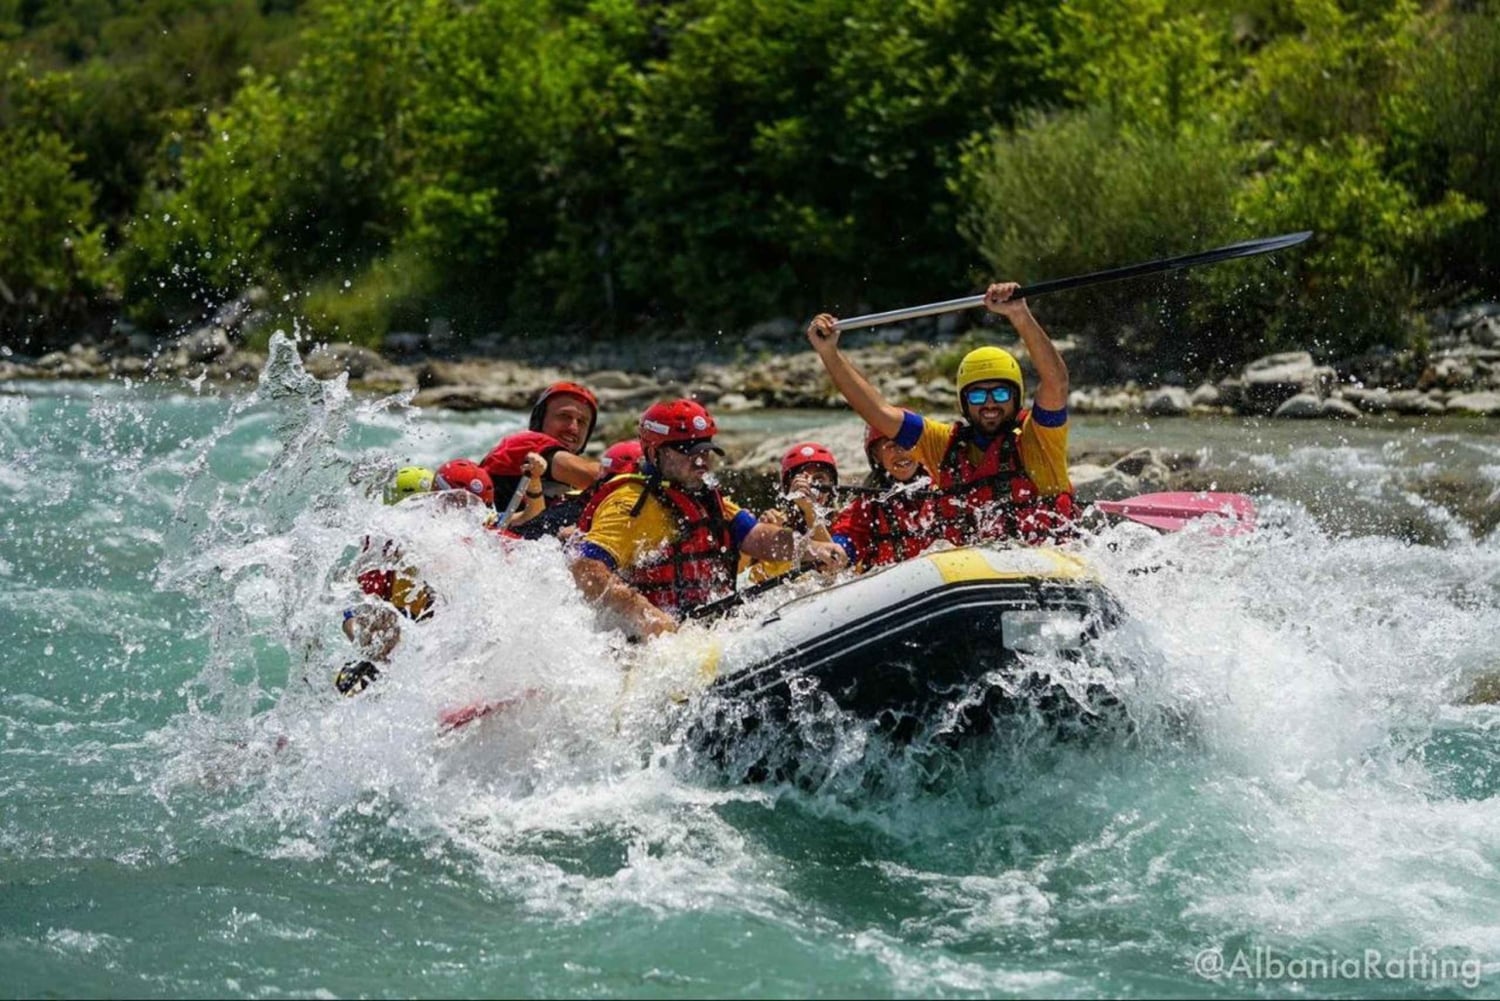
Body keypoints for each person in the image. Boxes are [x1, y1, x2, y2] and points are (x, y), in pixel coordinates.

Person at [806, 282, 1075, 547]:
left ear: (1017, 398)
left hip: (1049, 563)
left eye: (1001, 395)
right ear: (964, 403)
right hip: (975, 573)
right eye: (978, 396)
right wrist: (830, 353)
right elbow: (878, 412)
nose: (990, 404)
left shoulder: (1039, 437)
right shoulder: (944, 445)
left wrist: (1019, 314)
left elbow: (1057, 383)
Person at [568, 399, 848, 638]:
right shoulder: (630, 503)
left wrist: (809, 549)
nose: (701, 461)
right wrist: (646, 616)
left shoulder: (705, 496)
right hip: (648, 645)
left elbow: (757, 537)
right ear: (655, 453)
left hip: (705, 631)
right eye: (689, 452)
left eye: (705, 451)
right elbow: (585, 567)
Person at [336, 460, 500, 694]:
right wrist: (371, 658)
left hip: (424, 623)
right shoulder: (389, 545)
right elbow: (356, 615)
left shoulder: (456, 536)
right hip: (397, 629)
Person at [481, 381, 602, 538]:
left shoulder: (570, 483)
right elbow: (596, 476)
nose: (573, 428)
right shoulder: (525, 443)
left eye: (582, 422)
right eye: (564, 416)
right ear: (540, 420)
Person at [828, 426, 946, 571]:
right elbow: (849, 531)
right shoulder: (870, 501)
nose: (901, 451)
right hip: (895, 581)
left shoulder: (942, 485)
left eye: (908, 443)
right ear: (877, 456)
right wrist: (838, 548)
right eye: (891, 445)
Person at [741, 442, 840, 584]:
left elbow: (836, 573)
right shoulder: (777, 524)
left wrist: (809, 510)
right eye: (801, 480)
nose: (810, 487)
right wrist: (758, 535)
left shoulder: (845, 520)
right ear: (789, 490)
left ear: (832, 485)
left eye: (819, 479)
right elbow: (744, 579)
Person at [511, 439, 643, 538]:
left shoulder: (580, 498)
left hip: (515, 544)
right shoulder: (606, 512)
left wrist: (534, 480)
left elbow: (529, 519)